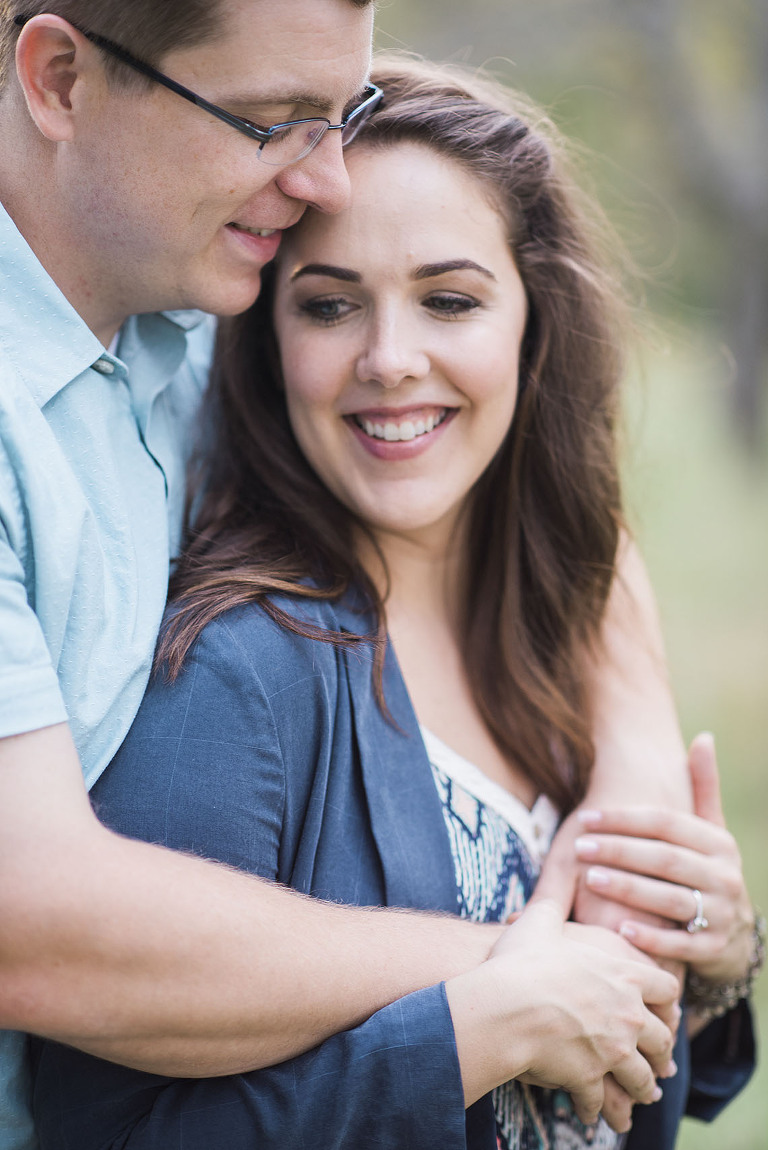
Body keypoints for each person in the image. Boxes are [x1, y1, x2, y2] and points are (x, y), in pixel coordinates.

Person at [0, 4, 703, 1148]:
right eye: (272, 120)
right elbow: (27, 925)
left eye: (345, 113)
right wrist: (526, 960)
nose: (323, 176)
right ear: (62, 79)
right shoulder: (238, 672)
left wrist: (645, 821)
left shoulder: (187, 309)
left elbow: (532, 485)